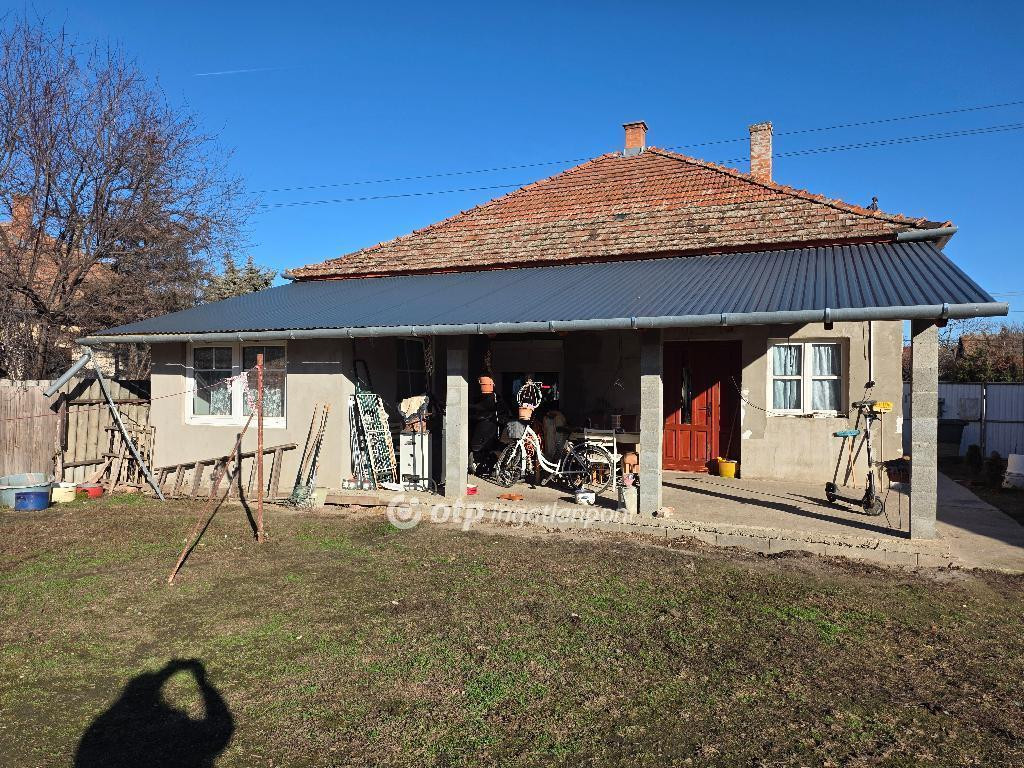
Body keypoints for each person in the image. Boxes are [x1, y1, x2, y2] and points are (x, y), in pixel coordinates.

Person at [468, 376, 508, 474]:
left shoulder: (494, 400)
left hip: (489, 431)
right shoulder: (492, 400)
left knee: (491, 446)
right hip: (489, 432)